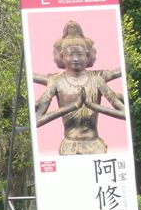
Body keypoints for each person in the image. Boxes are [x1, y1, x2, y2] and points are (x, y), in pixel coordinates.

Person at [34, 20, 125, 155]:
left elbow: (124, 113)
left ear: (87, 56)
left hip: (95, 145)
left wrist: (92, 106)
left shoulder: (97, 79)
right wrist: (74, 106)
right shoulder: (56, 81)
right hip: (70, 147)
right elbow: (37, 121)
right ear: (62, 56)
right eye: (70, 55)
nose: (75, 59)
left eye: (80, 54)